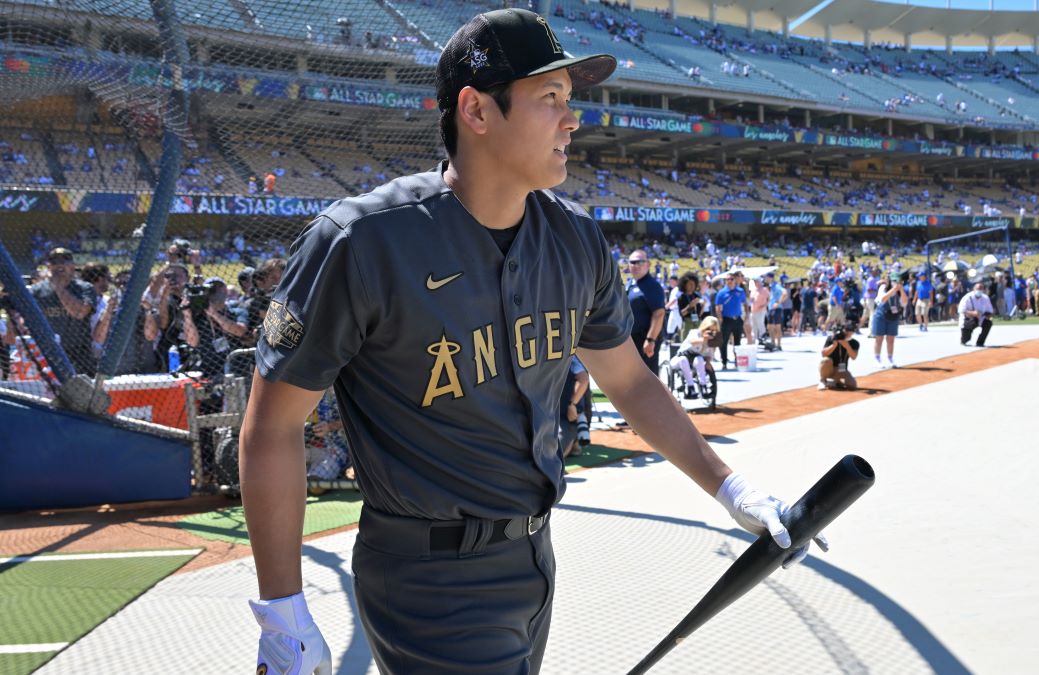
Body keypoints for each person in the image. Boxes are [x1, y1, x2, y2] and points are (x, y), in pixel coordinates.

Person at [239, 10, 818, 675]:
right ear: (476, 111)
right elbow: (272, 424)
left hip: (535, 557)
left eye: (570, 100)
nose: (573, 120)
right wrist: (283, 609)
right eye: (550, 99)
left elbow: (630, 382)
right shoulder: (362, 241)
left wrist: (730, 485)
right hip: (428, 578)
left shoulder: (575, 240)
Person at [30, 247, 97, 376]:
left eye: (64, 262)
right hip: (49, 352)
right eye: (55, 262)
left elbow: (79, 313)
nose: (59, 265)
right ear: (49, 266)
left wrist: (59, 288)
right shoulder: (36, 291)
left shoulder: (84, 288)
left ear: (73, 266)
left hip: (80, 355)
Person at [626, 248, 665, 372]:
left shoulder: (651, 285)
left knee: (647, 378)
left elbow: (659, 314)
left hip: (645, 338)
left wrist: (651, 340)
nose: (636, 265)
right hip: (631, 338)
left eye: (640, 262)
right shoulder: (631, 283)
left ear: (648, 264)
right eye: (632, 262)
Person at [671, 315, 719, 399]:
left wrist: (708, 362)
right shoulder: (695, 332)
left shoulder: (712, 342)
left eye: (713, 331)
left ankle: (703, 386)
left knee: (699, 359)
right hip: (680, 358)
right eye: (708, 329)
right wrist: (704, 340)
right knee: (683, 360)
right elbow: (692, 341)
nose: (710, 332)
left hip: (695, 362)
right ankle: (690, 388)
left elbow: (709, 355)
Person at [871, 272, 906, 368]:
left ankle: (890, 358)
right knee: (879, 338)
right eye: (894, 281)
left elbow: (904, 302)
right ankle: (877, 358)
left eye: (898, 281)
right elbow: (883, 299)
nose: (896, 283)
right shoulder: (883, 287)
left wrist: (901, 290)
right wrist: (893, 289)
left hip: (893, 315)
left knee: (891, 339)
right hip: (881, 314)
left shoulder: (900, 290)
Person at [713, 271, 746, 369]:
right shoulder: (722, 292)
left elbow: (744, 303)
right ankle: (724, 361)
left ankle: (737, 361)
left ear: (734, 280)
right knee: (724, 342)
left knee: (737, 342)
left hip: (737, 319)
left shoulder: (740, 291)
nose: (729, 281)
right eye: (727, 279)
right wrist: (720, 318)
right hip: (726, 319)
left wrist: (746, 316)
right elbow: (718, 307)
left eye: (731, 279)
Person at [817, 322, 858, 391]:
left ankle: (836, 381)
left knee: (852, 386)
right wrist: (834, 345)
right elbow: (823, 354)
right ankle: (823, 380)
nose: (847, 333)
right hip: (829, 368)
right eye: (846, 331)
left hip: (841, 369)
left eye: (850, 331)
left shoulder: (854, 343)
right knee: (825, 360)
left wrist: (847, 346)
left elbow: (854, 357)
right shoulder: (831, 339)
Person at [959, 282, 994, 347]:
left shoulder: (985, 298)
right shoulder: (967, 298)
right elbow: (961, 311)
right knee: (965, 339)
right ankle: (965, 338)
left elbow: (990, 311)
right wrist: (973, 313)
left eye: (981, 288)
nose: (979, 290)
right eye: (978, 288)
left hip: (981, 318)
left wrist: (988, 315)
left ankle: (980, 342)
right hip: (968, 319)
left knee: (988, 323)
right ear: (974, 289)